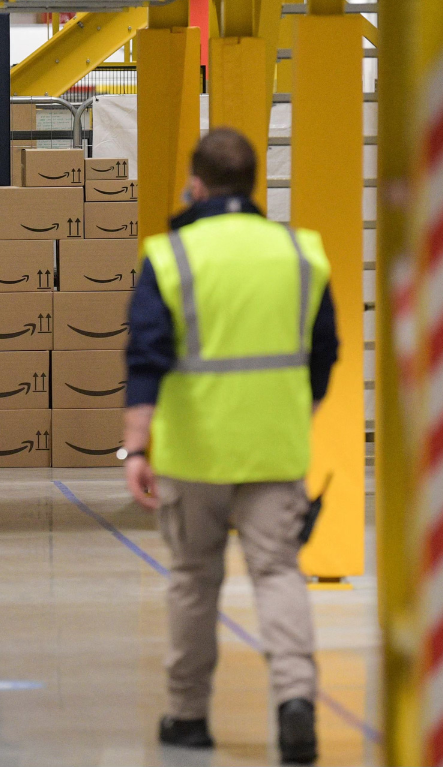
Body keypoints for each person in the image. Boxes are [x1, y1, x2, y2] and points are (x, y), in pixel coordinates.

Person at [123, 128, 339, 765]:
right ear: (252, 184)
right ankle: (295, 700)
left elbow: (146, 356)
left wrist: (136, 449)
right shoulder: (302, 254)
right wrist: (297, 412)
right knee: (278, 573)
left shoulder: (171, 256)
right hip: (274, 449)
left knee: (193, 581)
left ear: (197, 183)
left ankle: (188, 717)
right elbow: (324, 351)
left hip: (196, 455)